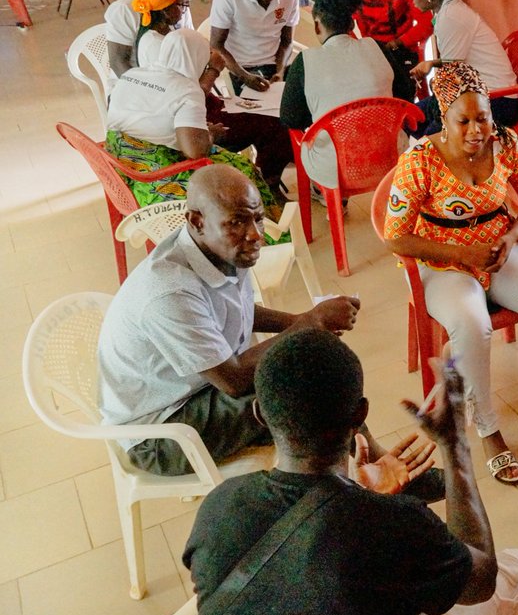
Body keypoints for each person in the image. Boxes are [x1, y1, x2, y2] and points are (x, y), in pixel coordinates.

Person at [183, 330, 518, 615]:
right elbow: (481, 580)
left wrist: (359, 499)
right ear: (360, 414)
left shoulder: (218, 506)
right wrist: (454, 444)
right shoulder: (392, 524)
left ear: (260, 415)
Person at [384, 62, 518, 485]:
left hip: (497, 249)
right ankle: (487, 429)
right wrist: (461, 253)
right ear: (444, 118)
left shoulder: (506, 143)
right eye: (462, 121)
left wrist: (510, 236)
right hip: (442, 261)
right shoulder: (420, 162)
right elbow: (396, 237)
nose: (475, 130)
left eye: (481, 117)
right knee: (472, 325)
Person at [96, 165, 361, 476]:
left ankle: (364, 466)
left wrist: (299, 320)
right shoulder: (170, 291)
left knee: (318, 374)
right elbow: (233, 380)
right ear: (197, 222)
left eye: (258, 218)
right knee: (310, 395)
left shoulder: (218, 248)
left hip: (196, 389)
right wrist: (311, 323)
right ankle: (365, 472)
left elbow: (236, 309)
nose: (255, 234)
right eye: (236, 222)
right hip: (162, 433)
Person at [106, 29, 287, 221]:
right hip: (157, 182)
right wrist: (211, 134)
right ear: (197, 59)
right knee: (243, 171)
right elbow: (195, 152)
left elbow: (151, 115)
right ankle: (263, 229)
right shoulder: (187, 91)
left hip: (122, 170)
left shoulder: (133, 74)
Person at [281, 0, 397, 191]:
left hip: (335, 170)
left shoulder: (305, 62)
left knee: (315, 141)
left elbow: (290, 118)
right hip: (389, 157)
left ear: (317, 25)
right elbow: (403, 95)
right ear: (352, 24)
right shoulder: (377, 48)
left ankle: (330, 197)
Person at [407, 0, 518, 137]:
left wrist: (436, 90)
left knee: (431, 137)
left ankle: (455, 152)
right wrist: (431, 63)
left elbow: (453, 70)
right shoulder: (448, 10)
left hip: (498, 101)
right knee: (410, 118)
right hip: (479, 93)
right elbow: (455, 60)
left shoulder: (451, 17)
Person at [208, 0, 300, 95]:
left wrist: (280, 72)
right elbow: (216, 46)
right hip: (239, 67)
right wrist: (244, 76)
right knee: (256, 102)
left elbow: (287, 42)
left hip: (274, 64)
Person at [353, 0, 432, 101]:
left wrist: (398, 42)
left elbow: (427, 24)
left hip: (405, 54)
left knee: (412, 100)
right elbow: (342, 25)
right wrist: (359, 47)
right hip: (373, 56)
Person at [105, 0, 194, 78]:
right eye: (179, 2)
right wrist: (142, 86)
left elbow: (189, 45)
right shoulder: (124, 11)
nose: (184, 6)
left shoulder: (181, 7)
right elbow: (117, 62)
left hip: (170, 77)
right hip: (133, 81)